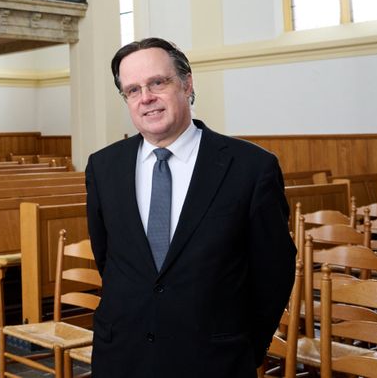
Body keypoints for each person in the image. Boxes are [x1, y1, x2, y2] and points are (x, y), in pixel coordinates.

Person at [84, 37, 296, 377]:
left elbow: (274, 271)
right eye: (133, 90)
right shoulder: (103, 167)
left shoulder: (250, 168)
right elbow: (109, 257)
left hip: (214, 359)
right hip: (122, 356)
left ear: (187, 84)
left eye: (157, 82)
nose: (146, 98)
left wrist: (245, 346)